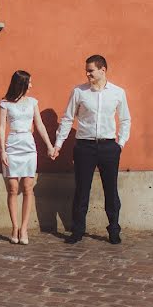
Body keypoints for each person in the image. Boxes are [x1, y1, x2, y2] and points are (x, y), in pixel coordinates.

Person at [51, 55, 131, 245]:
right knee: (81, 190)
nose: (87, 74)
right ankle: (77, 231)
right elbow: (68, 118)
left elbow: (125, 119)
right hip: (84, 146)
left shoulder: (118, 93)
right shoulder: (79, 92)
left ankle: (113, 230)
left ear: (103, 70)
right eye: (86, 70)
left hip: (109, 147)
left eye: (91, 70)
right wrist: (58, 144)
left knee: (111, 190)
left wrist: (120, 144)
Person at [0, 70, 55, 245]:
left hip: (29, 147)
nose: (31, 85)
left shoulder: (32, 102)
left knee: (28, 187)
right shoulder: (4, 103)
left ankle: (24, 228)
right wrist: (2, 151)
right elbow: (1, 128)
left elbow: (39, 124)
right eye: (29, 82)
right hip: (12, 146)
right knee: (13, 188)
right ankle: (14, 227)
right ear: (21, 84)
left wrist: (49, 145)